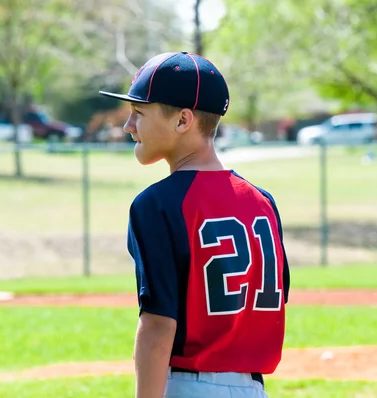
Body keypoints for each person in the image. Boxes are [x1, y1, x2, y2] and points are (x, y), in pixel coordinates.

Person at [99, 51, 290, 398]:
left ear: (183, 120)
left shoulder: (156, 205)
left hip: (190, 385)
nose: (128, 125)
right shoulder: (263, 203)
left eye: (139, 113)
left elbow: (158, 326)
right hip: (252, 388)